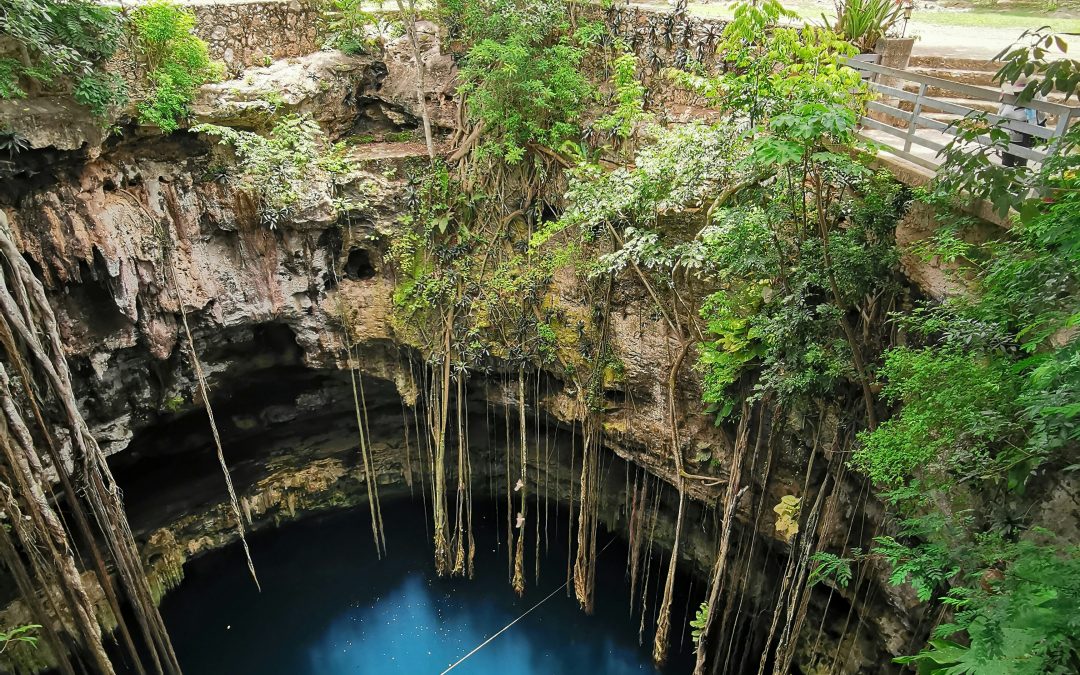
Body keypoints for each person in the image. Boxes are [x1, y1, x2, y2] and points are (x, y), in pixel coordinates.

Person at [998, 76, 1047, 168]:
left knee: (1021, 164)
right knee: (1007, 163)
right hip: (1008, 135)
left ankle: (1018, 182)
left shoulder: (1037, 96)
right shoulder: (1008, 96)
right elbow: (1001, 113)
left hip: (1026, 136)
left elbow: (1041, 115)